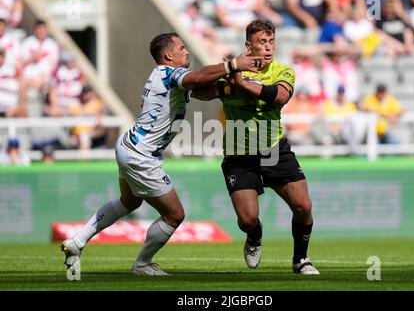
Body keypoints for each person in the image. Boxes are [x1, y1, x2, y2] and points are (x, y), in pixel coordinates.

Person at [60, 32, 265, 277]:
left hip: (129, 146)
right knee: (174, 214)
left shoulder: (170, 78)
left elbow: (205, 90)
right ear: (168, 55)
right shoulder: (168, 73)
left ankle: (77, 241)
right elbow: (199, 77)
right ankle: (143, 264)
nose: (186, 51)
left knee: (129, 202)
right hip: (141, 155)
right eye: (181, 48)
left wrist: (236, 81)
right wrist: (232, 65)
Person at [192, 19, 320, 274]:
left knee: (303, 206)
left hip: (274, 148)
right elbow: (197, 90)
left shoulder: (283, 71)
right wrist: (230, 73)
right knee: (248, 219)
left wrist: (240, 85)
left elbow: (280, 96)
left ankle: (301, 260)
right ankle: (254, 236)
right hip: (239, 154)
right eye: (262, 42)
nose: (269, 47)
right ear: (248, 45)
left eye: (272, 41)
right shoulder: (232, 72)